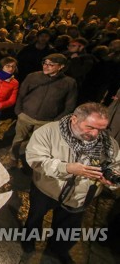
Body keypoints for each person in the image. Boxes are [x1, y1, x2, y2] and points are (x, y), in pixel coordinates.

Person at [22, 103, 120, 263]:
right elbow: (36, 160)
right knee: (35, 218)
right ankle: (28, 240)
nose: (96, 134)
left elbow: (116, 167)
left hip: (79, 197)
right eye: (90, 127)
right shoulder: (48, 132)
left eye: (101, 129)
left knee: (65, 228)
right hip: (46, 189)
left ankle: (55, 250)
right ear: (74, 119)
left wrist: (110, 180)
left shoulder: (110, 144)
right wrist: (66, 168)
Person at [10, 53, 77, 168]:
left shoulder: (69, 83)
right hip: (25, 116)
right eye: (45, 63)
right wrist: (19, 112)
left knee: (36, 144)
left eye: (51, 65)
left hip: (46, 121)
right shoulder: (33, 76)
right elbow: (21, 94)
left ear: (60, 66)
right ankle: (13, 158)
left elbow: (70, 105)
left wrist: (55, 121)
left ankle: (28, 163)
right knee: (18, 139)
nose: (46, 66)